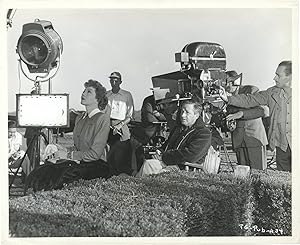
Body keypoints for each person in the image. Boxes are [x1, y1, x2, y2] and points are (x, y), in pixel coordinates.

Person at [25, 79, 111, 191]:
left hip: (96, 165)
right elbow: (77, 147)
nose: (83, 93)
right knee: (42, 170)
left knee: (60, 175)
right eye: (84, 90)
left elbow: (95, 154)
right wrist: (58, 149)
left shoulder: (102, 118)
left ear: (98, 99)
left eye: (89, 92)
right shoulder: (80, 118)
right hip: (80, 162)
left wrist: (67, 156)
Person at [219, 61, 292, 172]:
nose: (274, 78)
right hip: (282, 146)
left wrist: (240, 114)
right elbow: (251, 99)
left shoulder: (251, 88)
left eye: (278, 75)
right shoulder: (272, 92)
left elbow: (263, 111)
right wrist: (228, 98)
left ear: (290, 77)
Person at [136, 100, 212, 177]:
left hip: (185, 168)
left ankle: (138, 185)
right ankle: (137, 184)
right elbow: (167, 145)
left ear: (196, 115)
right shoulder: (179, 129)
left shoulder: (203, 133)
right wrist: (159, 151)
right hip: (169, 163)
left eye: (187, 112)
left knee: (150, 168)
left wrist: (164, 157)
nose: (182, 115)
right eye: (182, 111)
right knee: (148, 164)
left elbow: (190, 155)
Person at [224, 71, 269, 170]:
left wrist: (240, 114)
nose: (227, 85)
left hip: (254, 139)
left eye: (228, 82)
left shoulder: (250, 90)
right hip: (239, 140)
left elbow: (261, 110)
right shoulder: (226, 97)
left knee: (258, 173)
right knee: (243, 174)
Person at [106, 71, 134, 176]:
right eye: (111, 79)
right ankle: (108, 173)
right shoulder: (106, 95)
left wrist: (120, 125)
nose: (113, 81)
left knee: (123, 148)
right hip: (107, 124)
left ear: (120, 81)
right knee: (107, 149)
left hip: (121, 124)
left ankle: (124, 174)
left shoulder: (127, 95)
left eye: (116, 79)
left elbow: (130, 116)